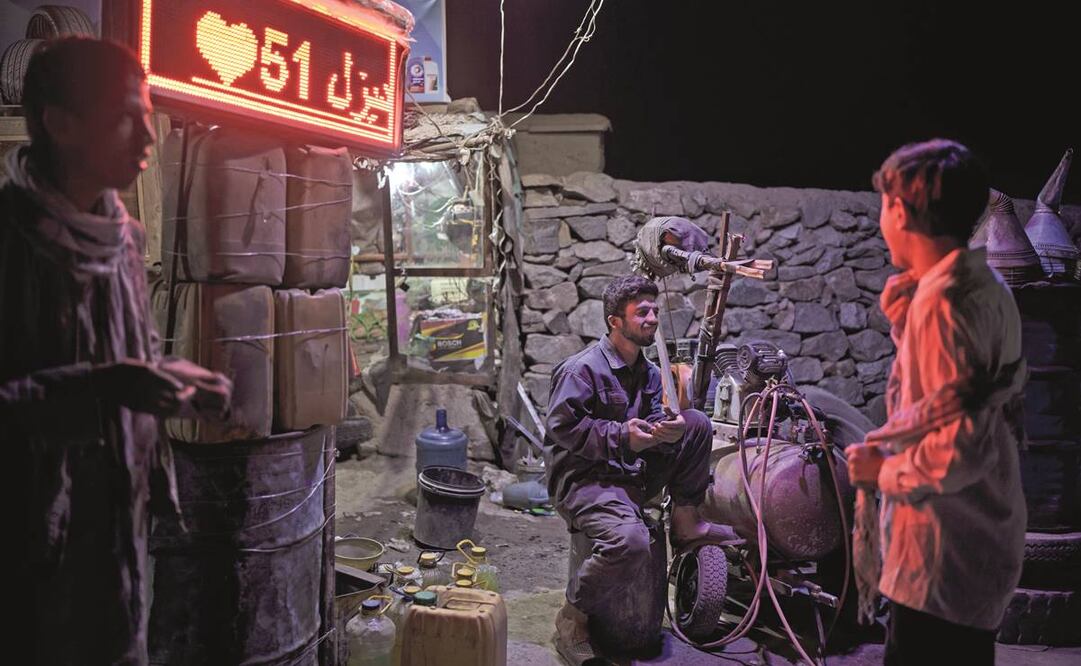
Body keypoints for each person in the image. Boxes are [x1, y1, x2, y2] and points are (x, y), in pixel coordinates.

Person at [0, 38, 230, 664]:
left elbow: (127, 359)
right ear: (61, 124)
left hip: (116, 532)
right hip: (28, 546)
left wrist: (171, 377)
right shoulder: (11, 241)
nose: (148, 139)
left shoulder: (123, 238)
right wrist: (105, 388)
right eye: (128, 117)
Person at [845, 139, 1027, 665]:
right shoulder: (984, 283)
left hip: (940, 554)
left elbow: (953, 454)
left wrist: (880, 474)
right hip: (983, 541)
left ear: (899, 210)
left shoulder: (940, 302)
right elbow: (956, 398)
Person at [545, 274, 733, 664]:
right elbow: (561, 429)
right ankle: (572, 619)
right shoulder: (582, 370)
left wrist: (665, 428)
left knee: (696, 422)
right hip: (585, 480)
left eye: (653, 310)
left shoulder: (646, 371)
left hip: (630, 469)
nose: (652, 318)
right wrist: (621, 436)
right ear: (615, 320)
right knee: (631, 543)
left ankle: (685, 520)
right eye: (641, 312)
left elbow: (650, 416)